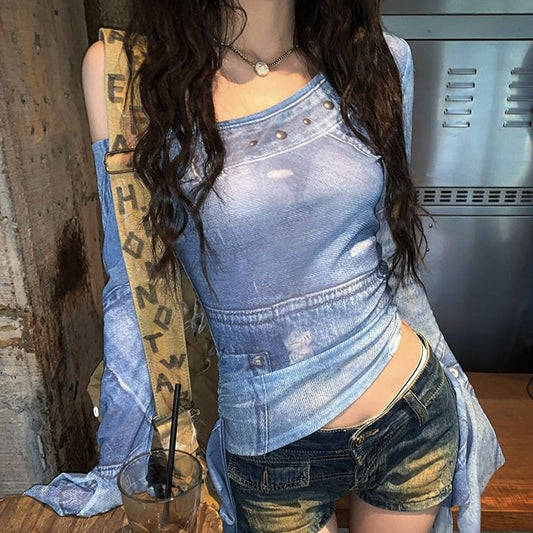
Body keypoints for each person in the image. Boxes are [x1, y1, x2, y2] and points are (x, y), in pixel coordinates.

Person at [76, 1, 503, 532]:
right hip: (270, 447)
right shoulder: (128, 76)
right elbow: (130, 291)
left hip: (408, 413)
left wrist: (454, 380)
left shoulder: (376, 58)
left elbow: (392, 255)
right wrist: (122, 459)